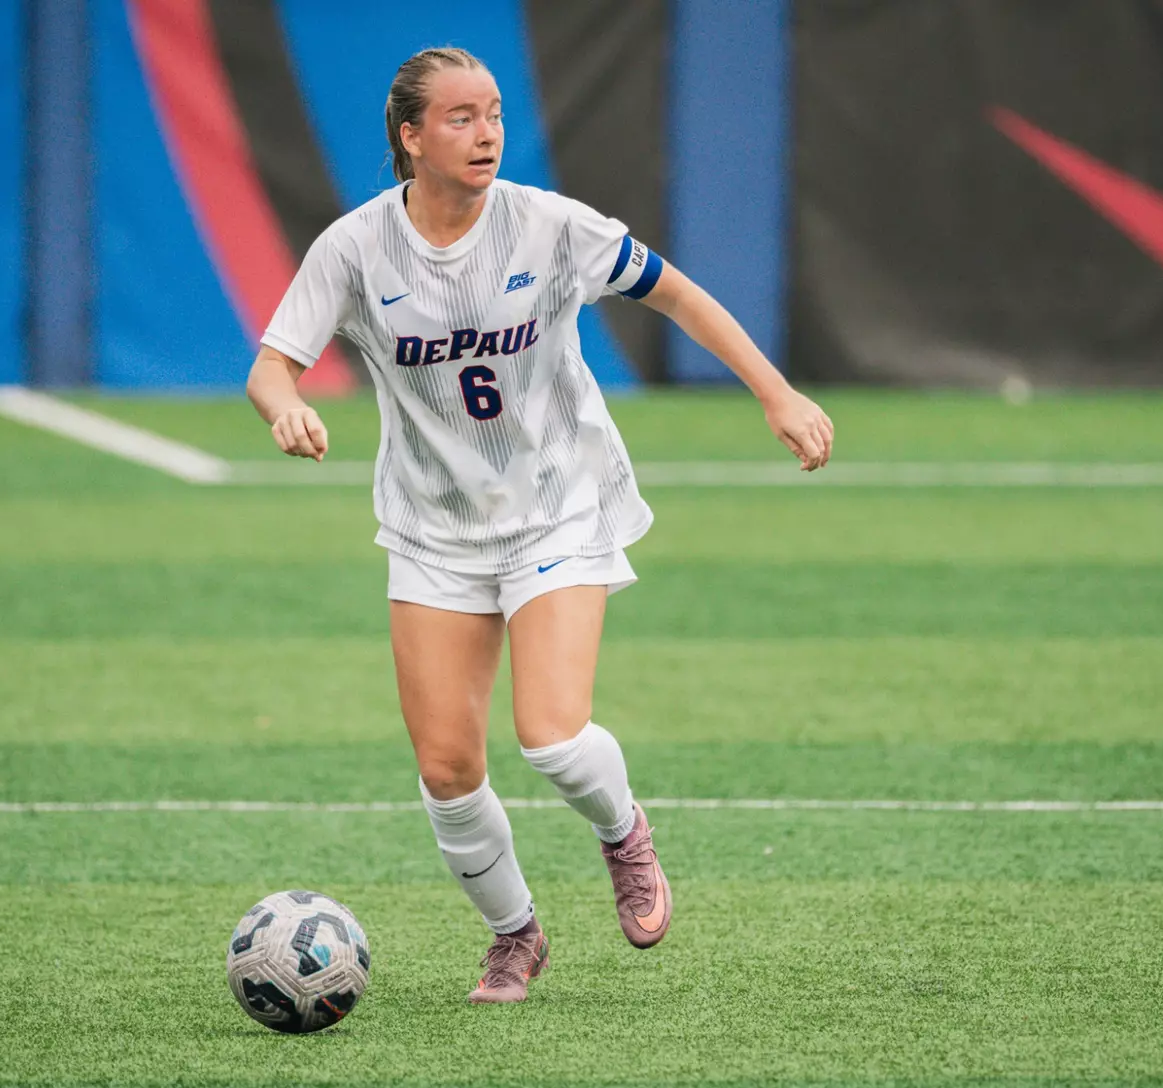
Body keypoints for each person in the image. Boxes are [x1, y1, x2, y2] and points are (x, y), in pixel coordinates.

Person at [246, 47, 833, 1004]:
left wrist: (775, 392)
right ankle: (514, 936)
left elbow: (676, 292)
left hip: (559, 504)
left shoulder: (550, 225)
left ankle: (624, 835)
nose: (485, 135)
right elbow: (273, 364)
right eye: (460, 118)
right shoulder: (354, 248)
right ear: (410, 136)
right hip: (434, 528)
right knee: (445, 770)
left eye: (494, 115)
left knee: (553, 738)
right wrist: (285, 408)